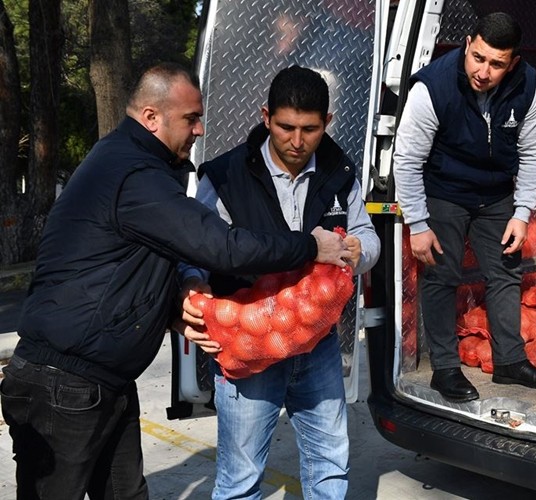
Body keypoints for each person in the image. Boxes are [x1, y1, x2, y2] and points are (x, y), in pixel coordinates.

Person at [0, 63, 351, 500]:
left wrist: (173, 310)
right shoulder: (134, 175)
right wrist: (308, 247)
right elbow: (221, 247)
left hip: (104, 383)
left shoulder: (137, 165)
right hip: (63, 386)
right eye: (190, 118)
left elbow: (129, 265)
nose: (200, 129)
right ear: (151, 117)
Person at [179, 65, 380, 499]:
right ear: (266, 116)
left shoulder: (339, 172)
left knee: (330, 465)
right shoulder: (226, 176)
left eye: (310, 129)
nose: (296, 140)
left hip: (318, 346)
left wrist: (362, 251)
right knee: (240, 480)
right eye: (286, 126)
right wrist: (192, 286)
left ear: (326, 123)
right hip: (250, 349)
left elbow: (367, 236)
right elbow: (195, 249)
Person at [392, 11, 536, 402]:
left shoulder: (530, 88)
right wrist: (417, 223)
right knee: (441, 275)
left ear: (513, 63)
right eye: (478, 57)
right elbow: (407, 159)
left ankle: (509, 363)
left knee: (505, 272)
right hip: (445, 192)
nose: (484, 71)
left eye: (497, 64)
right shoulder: (432, 88)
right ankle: (446, 370)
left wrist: (522, 213)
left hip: (496, 194)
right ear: (467, 45)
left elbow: (535, 152)